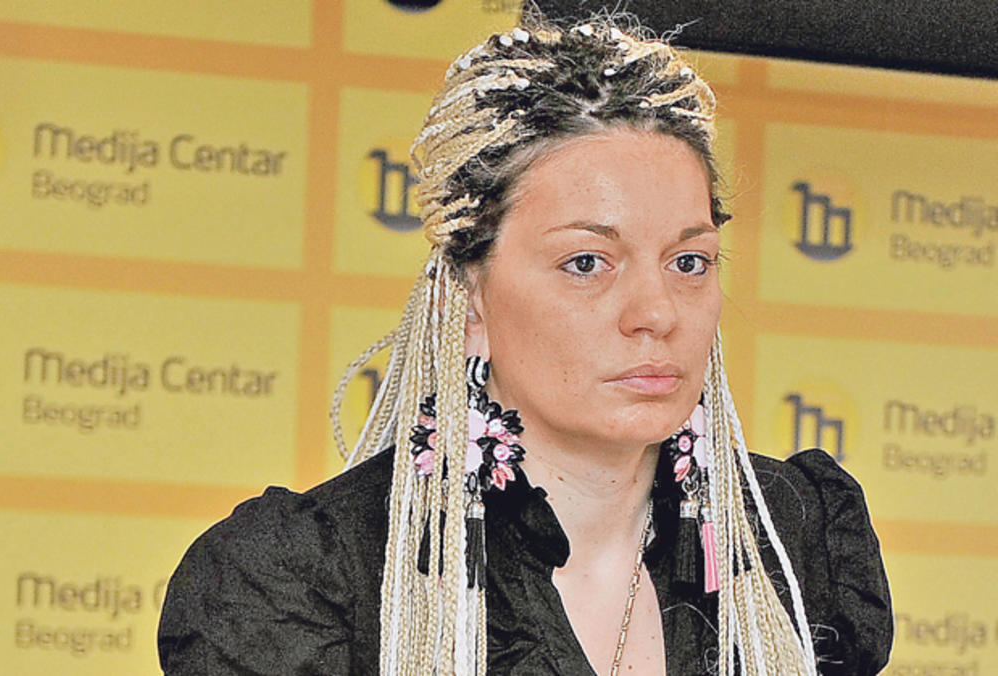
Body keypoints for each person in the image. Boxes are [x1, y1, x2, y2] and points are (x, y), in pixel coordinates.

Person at [158, 13, 892, 676]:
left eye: (689, 262)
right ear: (469, 298)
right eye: (587, 263)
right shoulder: (312, 581)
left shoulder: (794, 538)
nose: (656, 312)